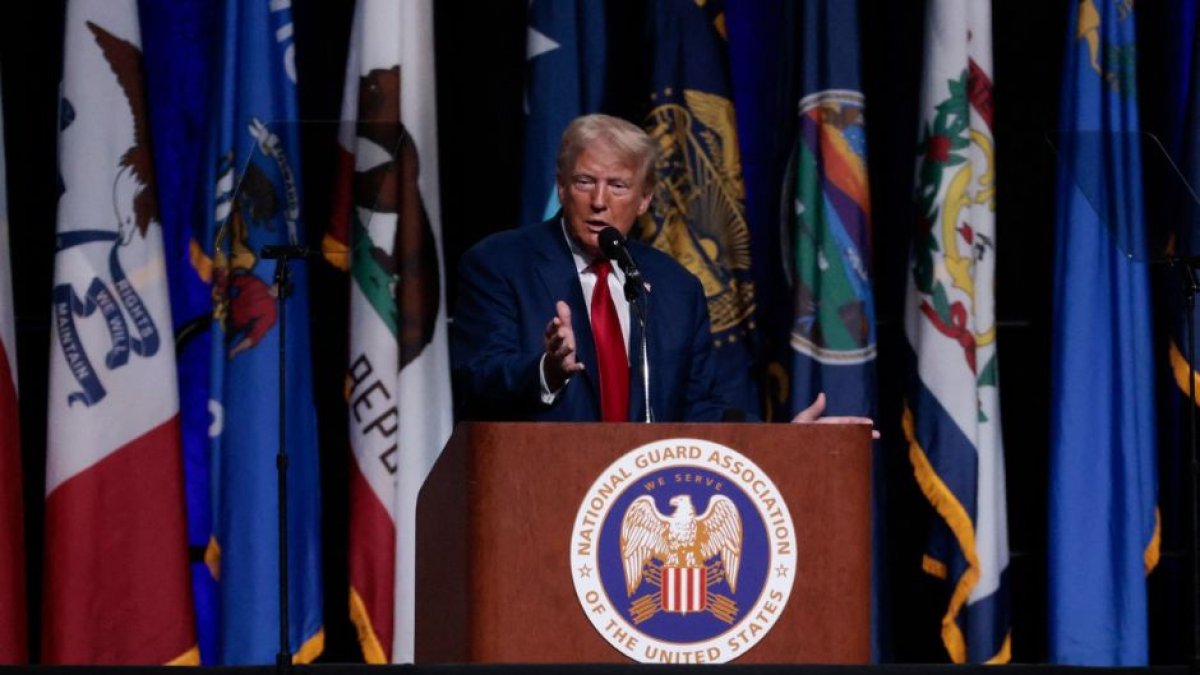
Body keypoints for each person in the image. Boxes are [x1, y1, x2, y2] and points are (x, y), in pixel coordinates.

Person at [451, 114, 875, 433]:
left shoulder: (675, 288)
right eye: (584, 182)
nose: (600, 201)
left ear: (643, 199)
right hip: (535, 503)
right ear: (561, 187)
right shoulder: (499, 265)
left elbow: (698, 409)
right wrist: (548, 369)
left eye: (617, 186)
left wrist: (782, 439)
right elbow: (477, 378)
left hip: (643, 512)